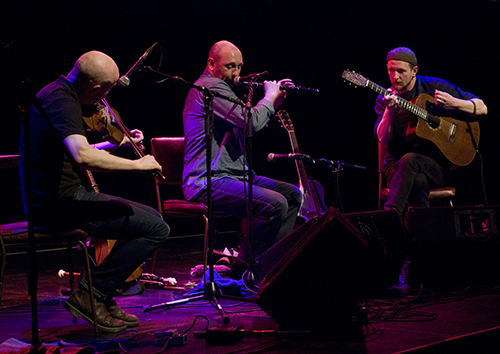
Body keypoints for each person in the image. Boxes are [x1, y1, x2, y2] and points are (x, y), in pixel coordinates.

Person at [20, 51, 170, 332]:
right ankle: (92, 295)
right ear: (96, 88)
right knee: (156, 228)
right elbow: (83, 157)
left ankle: (99, 295)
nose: (105, 100)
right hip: (58, 203)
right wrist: (138, 165)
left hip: (63, 198)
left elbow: (78, 150)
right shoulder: (62, 101)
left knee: (152, 221)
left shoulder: (59, 93)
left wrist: (118, 144)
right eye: (107, 91)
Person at [182, 40, 303, 278]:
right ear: (211, 64)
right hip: (207, 179)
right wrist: (268, 98)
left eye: (238, 67)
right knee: (275, 203)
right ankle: (247, 270)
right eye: (229, 67)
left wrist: (275, 101)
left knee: (292, 194)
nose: (236, 74)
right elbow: (250, 122)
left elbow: (247, 122)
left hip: (235, 175)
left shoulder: (223, 91)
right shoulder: (209, 89)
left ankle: (269, 265)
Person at [375, 47, 487, 217]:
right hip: (397, 168)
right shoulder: (385, 98)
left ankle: (388, 219)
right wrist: (389, 111)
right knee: (417, 179)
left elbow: (482, 108)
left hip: (434, 167)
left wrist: (454, 102)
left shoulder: (431, 86)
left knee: (412, 161)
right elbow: (383, 139)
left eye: (401, 71)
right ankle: (423, 236)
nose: (395, 76)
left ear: (414, 71)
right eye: (391, 70)